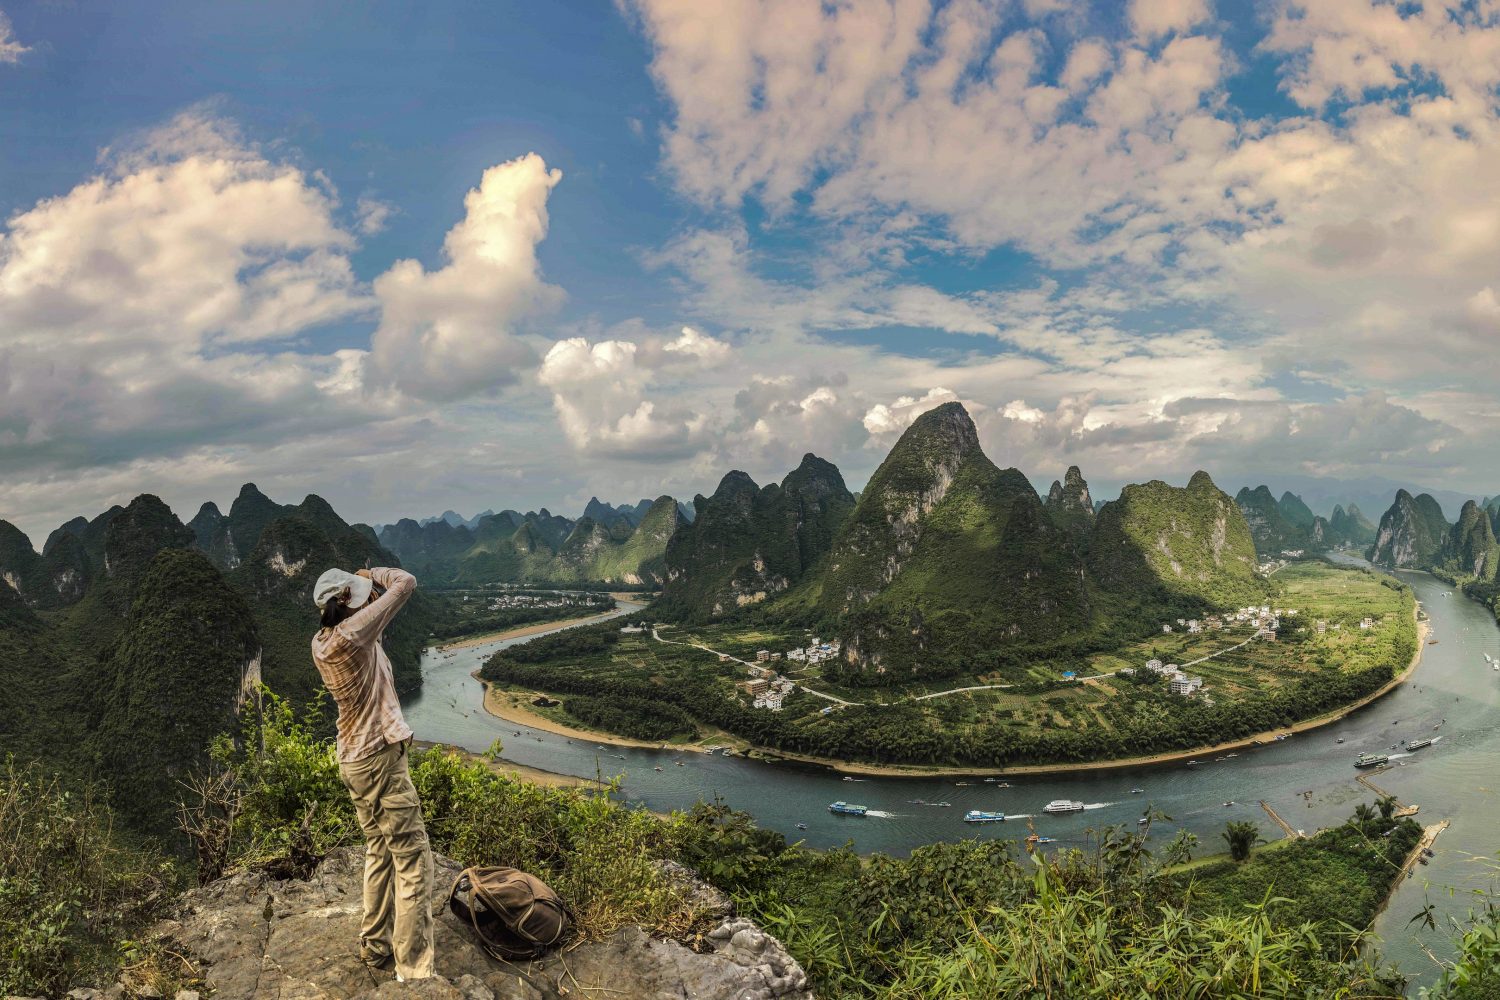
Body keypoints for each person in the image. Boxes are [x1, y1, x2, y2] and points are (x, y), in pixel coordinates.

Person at [311, 565, 434, 981]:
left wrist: (358, 588)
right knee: (412, 859)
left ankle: (374, 944)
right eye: (357, 595)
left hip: (352, 760)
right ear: (346, 601)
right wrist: (374, 574)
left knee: (378, 850)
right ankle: (414, 970)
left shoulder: (322, 641)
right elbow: (406, 583)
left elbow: (367, 630)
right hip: (381, 757)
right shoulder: (353, 634)